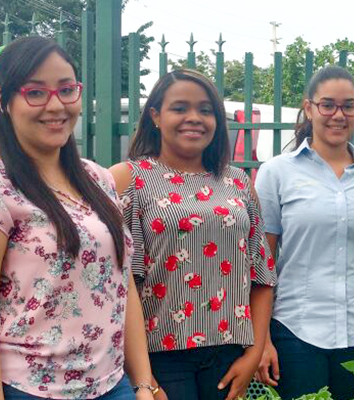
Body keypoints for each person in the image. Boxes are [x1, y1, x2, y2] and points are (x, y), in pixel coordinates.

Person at [0, 36, 154, 400]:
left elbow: (122, 284)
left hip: (108, 384)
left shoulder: (97, 179)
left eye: (66, 89)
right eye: (36, 92)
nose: (55, 105)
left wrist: (143, 383)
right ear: (2, 99)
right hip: (22, 388)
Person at [109, 69, 277, 400]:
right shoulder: (129, 179)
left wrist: (253, 353)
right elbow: (115, 284)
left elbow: (262, 275)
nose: (194, 118)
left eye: (205, 110)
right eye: (180, 108)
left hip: (227, 355)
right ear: (155, 116)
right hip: (159, 360)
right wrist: (144, 379)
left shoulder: (237, 182)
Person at [253, 65, 354, 400]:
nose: (338, 115)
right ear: (308, 108)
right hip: (297, 332)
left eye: (349, 106)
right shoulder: (277, 173)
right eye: (327, 104)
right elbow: (262, 260)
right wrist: (262, 340)